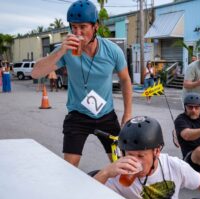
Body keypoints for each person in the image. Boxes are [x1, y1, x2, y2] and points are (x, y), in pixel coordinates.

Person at [31, 0, 132, 167]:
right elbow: (36, 73)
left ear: (95, 26)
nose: (77, 32)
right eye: (73, 27)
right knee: (70, 168)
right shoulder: (67, 49)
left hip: (106, 115)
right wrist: (60, 51)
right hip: (77, 115)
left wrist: (127, 114)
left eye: (83, 27)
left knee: (120, 163)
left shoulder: (112, 51)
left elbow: (125, 79)